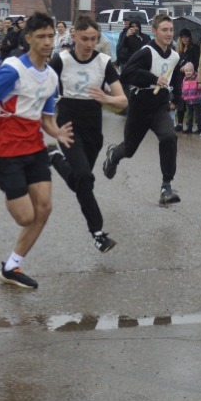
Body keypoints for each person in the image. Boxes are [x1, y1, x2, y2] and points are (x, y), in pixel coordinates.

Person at [0, 11, 74, 289]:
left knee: (44, 208)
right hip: (7, 147)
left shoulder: (51, 76)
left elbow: (46, 118)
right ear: (28, 39)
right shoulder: (13, 70)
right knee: (26, 217)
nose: (47, 42)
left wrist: (57, 132)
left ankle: (12, 266)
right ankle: (5, 177)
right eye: (41, 36)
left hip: (35, 146)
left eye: (50, 36)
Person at [49, 16, 128, 252]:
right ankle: (98, 233)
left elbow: (122, 100)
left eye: (94, 39)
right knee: (84, 177)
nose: (90, 44)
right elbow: (41, 90)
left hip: (93, 128)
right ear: (74, 36)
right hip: (68, 125)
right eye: (85, 39)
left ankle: (54, 158)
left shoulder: (103, 62)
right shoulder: (61, 60)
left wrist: (106, 98)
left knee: (80, 182)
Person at [103, 13, 184, 205]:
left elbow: (176, 79)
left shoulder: (175, 56)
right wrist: (153, 79)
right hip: (140, 106)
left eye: (171, 30)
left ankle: (166, 187)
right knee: (129, 149)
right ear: (154, 32)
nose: (169, 34)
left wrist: (176, 99)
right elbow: (127, 74)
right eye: (164, 30)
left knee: (169, 137)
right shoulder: (146, 52)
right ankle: (114, 155)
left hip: (159, 107)